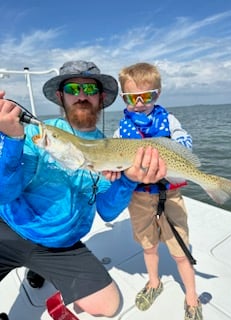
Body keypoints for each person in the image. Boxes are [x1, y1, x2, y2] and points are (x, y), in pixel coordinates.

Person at [0, 60, 166, 318]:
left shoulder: (113, 150)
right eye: (73, 89)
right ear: (60, 96)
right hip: (9, 230)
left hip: (60, 245)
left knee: (109, 307)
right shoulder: (36, 133)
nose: (81, 96)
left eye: (89, 91)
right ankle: (38, 268)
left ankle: (44, 268)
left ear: (101, 98)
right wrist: (12, 140)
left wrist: (129, 179)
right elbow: (5, 194)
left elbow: (108, 213)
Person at [114, 62, 202, 320]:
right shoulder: (121, 130)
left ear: (158, 94)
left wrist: (178, 147)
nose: (139, 103)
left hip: (170, 194)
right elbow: (115, 155)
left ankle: (192, 295)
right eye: (132, 98)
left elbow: (184, 138)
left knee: (180, 250)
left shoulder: (169, 119)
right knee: (148, 246)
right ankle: (154, 282)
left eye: (147, 96)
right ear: (123, 98)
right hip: (139, 197)